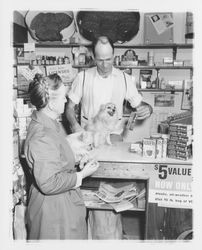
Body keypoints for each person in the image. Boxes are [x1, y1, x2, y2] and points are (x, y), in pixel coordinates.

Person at [65, 36, 153, 239]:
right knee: (92, 185)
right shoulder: (83, 77)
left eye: (109, 59)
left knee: (113, 184)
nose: (105, 65)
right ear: (93, 57)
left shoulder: (123, 78)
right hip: (89, 134)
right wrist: (76, 127)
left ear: (114, 56)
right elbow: (69, 108)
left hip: (113, 136)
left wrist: (146, 109)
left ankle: (111, 233)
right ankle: (96, 234)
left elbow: (141, 105)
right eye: (100, 59)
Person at [24, 73, 99, 240]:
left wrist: (77, 158)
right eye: (64, 97)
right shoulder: (42, 135)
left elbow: (56, 155)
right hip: (54, 211)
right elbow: (49, 183)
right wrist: (82, 175)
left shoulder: (51, 123)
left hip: (60, 203)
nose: (66, 101)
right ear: (50, 103)